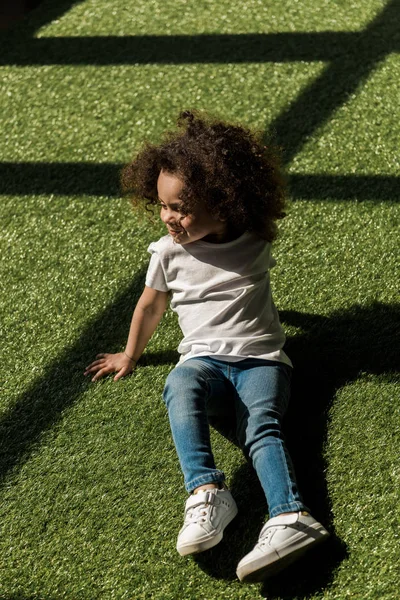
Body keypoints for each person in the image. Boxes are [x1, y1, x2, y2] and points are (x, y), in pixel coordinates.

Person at [84, 111, 329, 583]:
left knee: (262, 426)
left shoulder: (253, 237)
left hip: (261, 360)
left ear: (228, 202)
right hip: (204, 362)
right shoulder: (167, 253)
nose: (170, 218)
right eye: (162, 205)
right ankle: (207, 491)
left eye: (182, 207)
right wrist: (129, 355)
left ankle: (290, 517)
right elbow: (149, 308)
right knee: (181, 384)